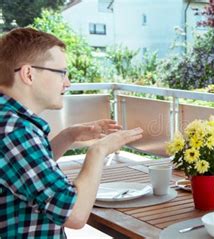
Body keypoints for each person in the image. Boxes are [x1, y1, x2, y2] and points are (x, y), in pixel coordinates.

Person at [0, 27, 143, 238]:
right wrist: (99, 150)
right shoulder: (16, 131)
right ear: (28, 74)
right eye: (61, 73)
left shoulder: (9, 121)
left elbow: (25, 173)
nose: (67, 83)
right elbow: (74, 214)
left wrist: (70, 135)